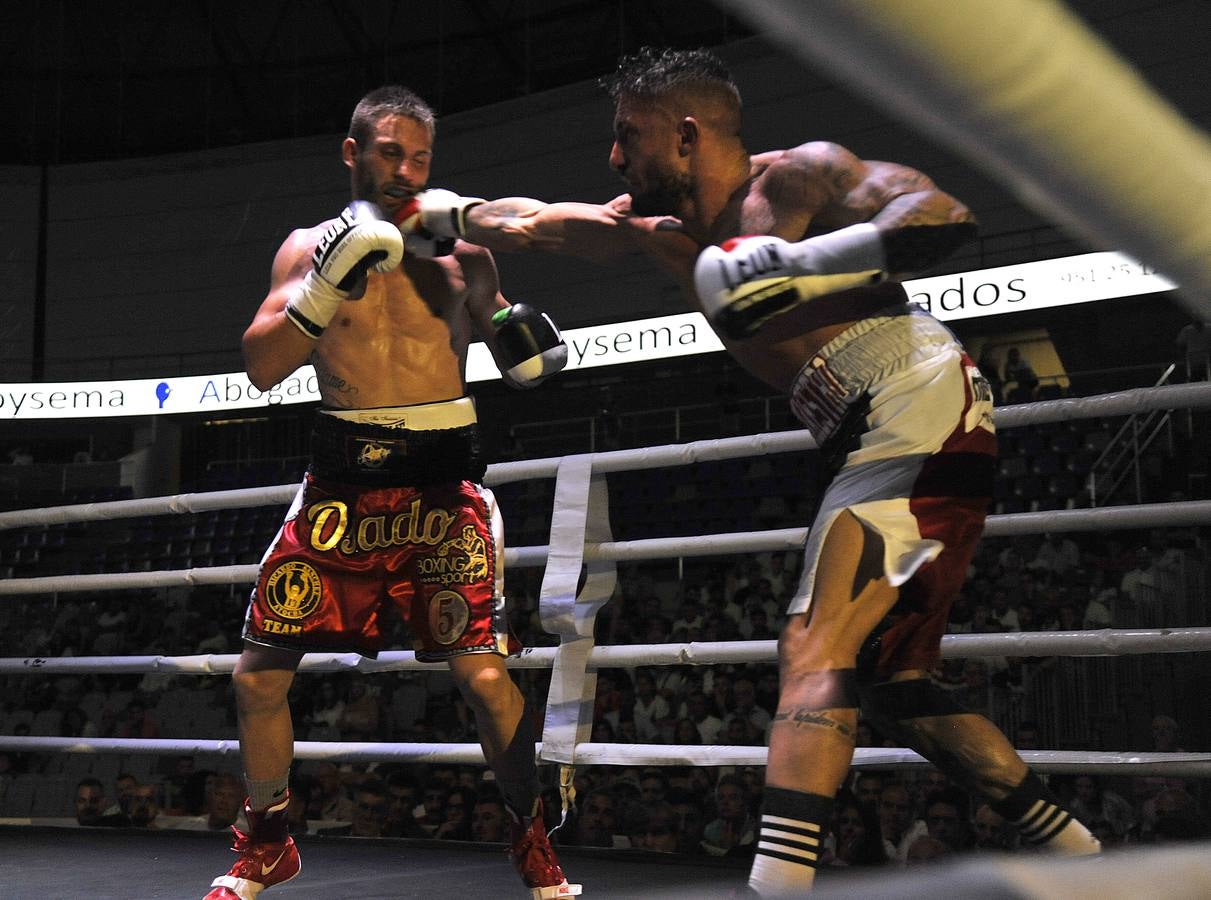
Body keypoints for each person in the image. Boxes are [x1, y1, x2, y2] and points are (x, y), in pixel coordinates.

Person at [397, 45, 1100, 895]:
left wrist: (798, 263)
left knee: (814, 647)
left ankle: (775, 886)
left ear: (686, 134)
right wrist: (436, 212)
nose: (614, 157)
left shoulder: (800, 178)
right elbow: (530, 222)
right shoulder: (656, 230)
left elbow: (943, 215)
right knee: (891, 681)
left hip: (911, 400)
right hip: (871, 425)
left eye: (629, 136)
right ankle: (1077, 854)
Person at [203, 84, 577, 900]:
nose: (405, 171)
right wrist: (323, 284)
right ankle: (266, 842)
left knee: (486, 680)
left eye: (419, 158)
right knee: (257, 676)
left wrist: (527, 339)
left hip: (442, 489)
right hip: (342, 488)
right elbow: (262, 367)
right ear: (352, 153)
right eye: (388, 153)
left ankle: (530, 834)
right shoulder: (305, 249)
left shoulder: (463, 256)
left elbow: (521, 353)